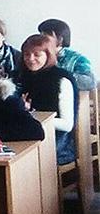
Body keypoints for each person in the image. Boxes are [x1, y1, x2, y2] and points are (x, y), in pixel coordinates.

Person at [21, 34, 77, 165]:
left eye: (37, 55)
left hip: (56, 140)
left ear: (48, 55)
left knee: (25, 159)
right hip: (27, 135)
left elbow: (67, 125)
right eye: (27, 54)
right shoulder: (21, 77)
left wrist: (32, 116)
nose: (31, 59)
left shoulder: (62, 80)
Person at [38, 18, 96, 92]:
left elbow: (90, 83)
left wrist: (61, 74)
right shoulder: (36, 56)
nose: (41, 38)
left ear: (60, 39)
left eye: (46, 35)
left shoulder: (77, 59)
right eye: (41, 34)